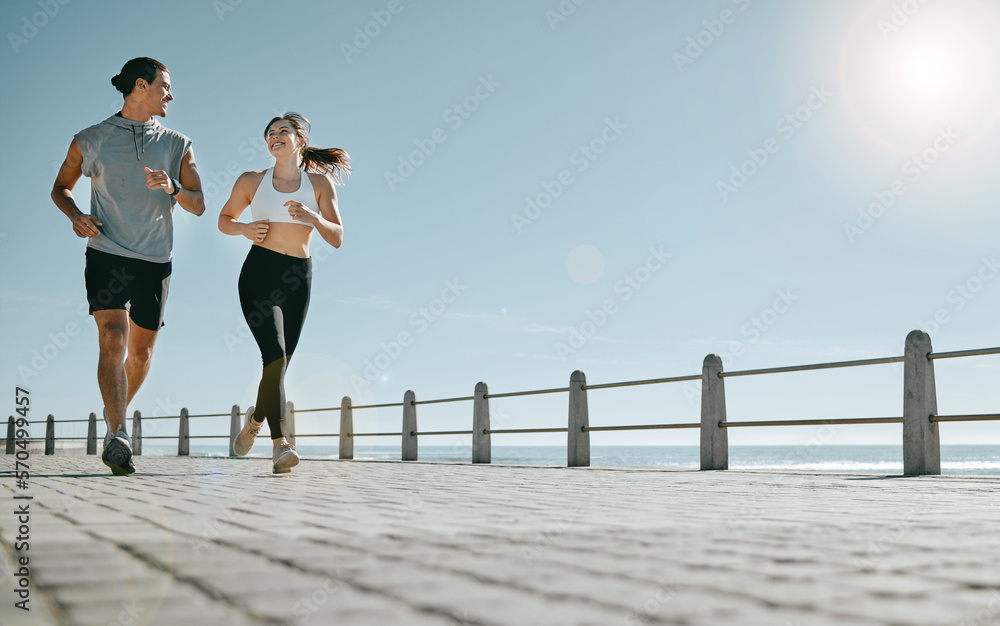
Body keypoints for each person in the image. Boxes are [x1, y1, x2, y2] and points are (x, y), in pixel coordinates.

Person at [50, 57, 205, 475]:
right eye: (165, 86)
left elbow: (199, 203)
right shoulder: (91, 138)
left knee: (140, 354)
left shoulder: (178, 144)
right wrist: (75, 215)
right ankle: (119, 433)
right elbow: (60, 187)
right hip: (106, 252)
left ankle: (111, 419)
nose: (170, 94)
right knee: (113, 339)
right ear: (141, 85)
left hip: (155, 260)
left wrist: (172, 188)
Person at [219, 112, 347, 474]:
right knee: (273, 356)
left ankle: (256, 419)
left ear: (300, 141)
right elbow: (224, 219)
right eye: (270, 133)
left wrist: (314, 218)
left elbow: (337, 237)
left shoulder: (319, 184)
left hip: (298, 277)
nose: (275, 137)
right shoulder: (252, 180)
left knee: (281, 364)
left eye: (283, 132)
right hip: (259, 272)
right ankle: (281, 445)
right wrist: (244, 229)